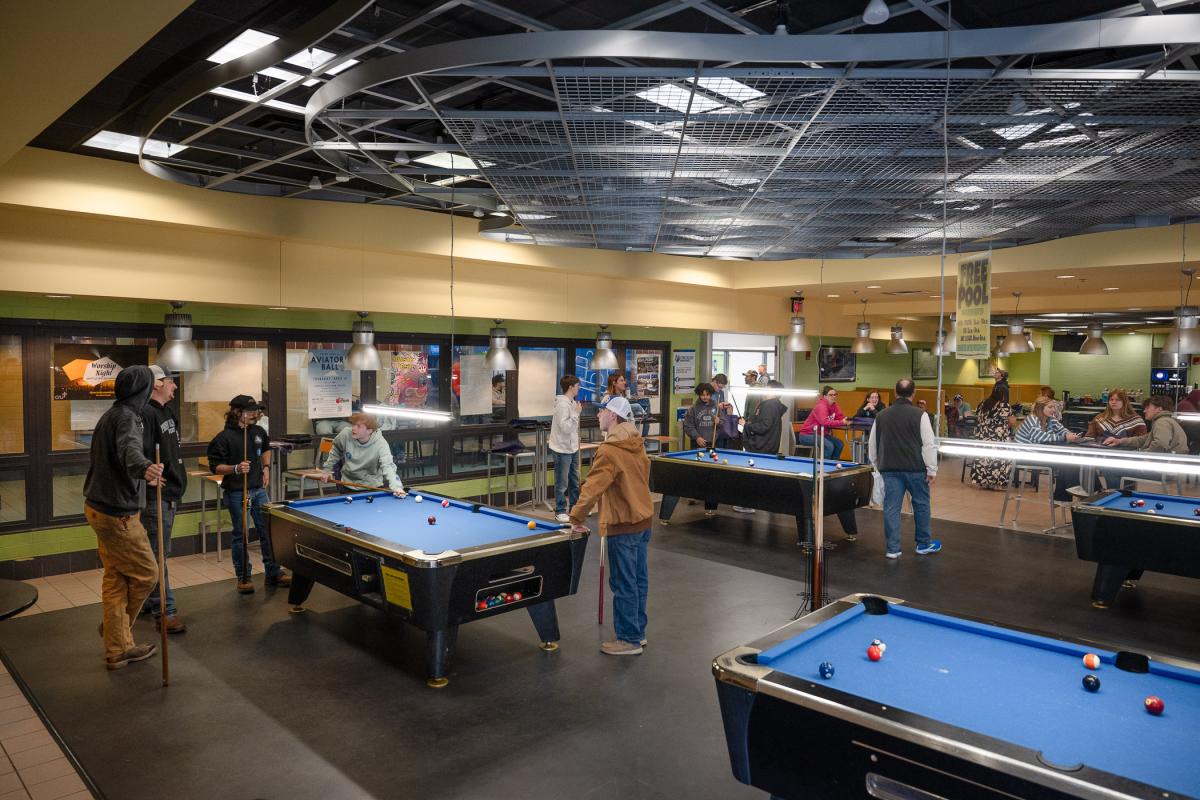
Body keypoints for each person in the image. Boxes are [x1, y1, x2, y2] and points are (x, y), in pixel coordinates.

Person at [83, 365, 163, 670]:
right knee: (147, 574)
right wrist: (144, 468)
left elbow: (119, 456)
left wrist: (143, 473)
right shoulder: (128, 417)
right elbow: (129, 450)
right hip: (118, 515)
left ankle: (117, 649)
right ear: (143, 390)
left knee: (116, 578)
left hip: (99, 509)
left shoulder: (112, 414)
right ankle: (115, 630)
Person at [568, 397, 653, 656]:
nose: (598, 415)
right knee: (638, 580)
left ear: (613, 416)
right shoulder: (636, 442)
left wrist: (576, 517)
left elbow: (593, 487)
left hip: (623, 523)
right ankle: (638, 631)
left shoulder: (610, 450)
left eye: (602, 411)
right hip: (643, 518)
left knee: (624, 582)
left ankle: (629, 640)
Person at [208, 395, 291, 594]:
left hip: (259, 490)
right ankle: (244, 576)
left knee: (268, 531)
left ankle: (273, 572)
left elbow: (265, 448)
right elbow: (215, 467)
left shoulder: (258, 431)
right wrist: (235, 468)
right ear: (237, 412)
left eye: (256, 411)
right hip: (237, 492)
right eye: (250, 411)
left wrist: (266, 467)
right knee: (241, 535)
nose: (255, 414)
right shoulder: (223, 438)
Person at [869, 379, 940, 558]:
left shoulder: (881, 415)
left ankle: (893, 549)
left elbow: (873, 443)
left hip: (890, 468)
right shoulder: (921, 415)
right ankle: (923, 544)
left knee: (891, 507)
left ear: (895, 392)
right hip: (916, 469)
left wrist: (876, 464)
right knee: (921, 505)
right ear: (913, 393)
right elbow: (928, 444)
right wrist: (931, 469)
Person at [139, 365, 186, 634]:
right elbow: (138, 453)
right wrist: (146, 476)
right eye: (170, 381)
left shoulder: (167, 412)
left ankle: (148, 600)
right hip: (156, 497)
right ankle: (165, 611)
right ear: (157, 384)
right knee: (157, 556)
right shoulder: (145, 414)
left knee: (157, 554)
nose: (175, 386)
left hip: (170, 494)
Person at [734, 380, 788, 513]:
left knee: (752, 477)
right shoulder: (774, 405)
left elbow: (764, 426)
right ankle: (766, 503)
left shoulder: (769, 406)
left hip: (760, 446)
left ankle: (748, 505)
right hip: (768, 445)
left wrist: (746, 424)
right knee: (762, 477)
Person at [319, 412, 405, 496]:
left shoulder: (380, 443)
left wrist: (397, 487)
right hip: (347, 485)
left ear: (369, 430)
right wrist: (327, 470)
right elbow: (335, 451)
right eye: (353, 425)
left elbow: (388, 466)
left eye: (358, 426)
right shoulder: (345, 434)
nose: (353, 428)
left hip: (373, 487)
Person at [1016, 397, 1080, 501]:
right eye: (1050, 407)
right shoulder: (1032, 418)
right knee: (1066, 462)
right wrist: (1064, 438)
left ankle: (1063, 495)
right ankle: (1067, 492)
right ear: (1040, 408)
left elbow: (1062, 430)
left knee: (1069, 461)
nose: (1053, 410)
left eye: (1054, 407)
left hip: (1038, 453)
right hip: (1025, 456)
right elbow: (1039, 437)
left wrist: (1070, 435)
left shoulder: (1051, 419)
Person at [678, 383, 721, 516]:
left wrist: (720, 421)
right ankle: (693, 495)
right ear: (698, 395)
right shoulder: (693, 409)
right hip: (697, 445)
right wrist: (697, 437)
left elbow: (723, 423)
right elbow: (688, 426)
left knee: (712, 476)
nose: (705, 397)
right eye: (702, 395)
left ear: (711, 394)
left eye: (707, 395)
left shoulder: (716, 407)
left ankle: (710, 506)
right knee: (696, 472)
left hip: (712, 444)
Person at [549, 376, 582, 523]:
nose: (578, 388)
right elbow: (565, 428)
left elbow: (573, 428)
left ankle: (575, 508)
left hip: (572, 448)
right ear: (570, 387)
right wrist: (576, 413)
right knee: (562, 482)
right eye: (577, 386)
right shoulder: (562, 405)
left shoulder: (572, 403)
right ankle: (560, 511)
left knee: (574, 480)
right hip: (562, 449)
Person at [970, 383, 1014, 490]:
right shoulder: (1004, 406)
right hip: (998, 438)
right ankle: (997, 484)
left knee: (984, 458)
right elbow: (1011, 422)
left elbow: (978, 417)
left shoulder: (982, 404)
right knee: (1000, 459)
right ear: (1003, 395)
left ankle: (984, 482)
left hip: (982, 436)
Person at [797, 386, 846, 461]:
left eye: (835, 394)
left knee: (839, 444)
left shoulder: (834, 406)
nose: (833, 396)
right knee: (829, 446)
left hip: (822, 434)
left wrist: (847, 420)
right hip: (807, 435)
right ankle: (823, 466)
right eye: (830, 395)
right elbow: (824, 422)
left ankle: (832, 464)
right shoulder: (821, 406)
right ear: (824, 396)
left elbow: (841, 417)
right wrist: (841, 422)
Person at [709, 373, 739, 449]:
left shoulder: (721, 392)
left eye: (722, 388)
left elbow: (720, 407)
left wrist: (726, 407)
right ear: (714, 381)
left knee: (720, 448)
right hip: (709, 425)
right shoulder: (706, 392)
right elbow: (704, 408)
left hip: (720, 424)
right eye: (719, 387)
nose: (720, 389)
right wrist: (717, 406)